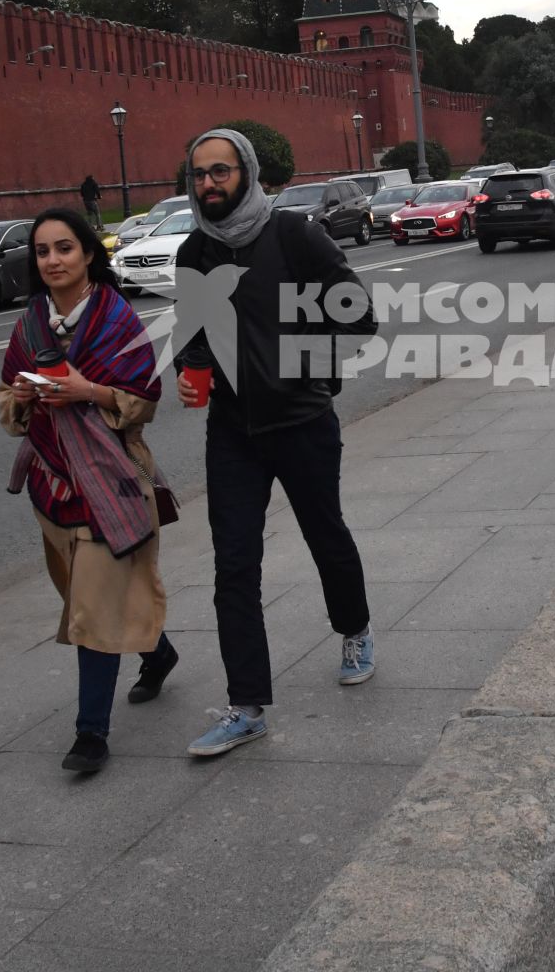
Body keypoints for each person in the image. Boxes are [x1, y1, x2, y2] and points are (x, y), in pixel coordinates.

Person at [172, 128, 380, 757]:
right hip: (233, 432)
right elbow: (195, 335)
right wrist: (192, 370)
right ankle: (246, 705)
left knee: (326, 535)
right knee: (234, 565)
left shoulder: (294, 235)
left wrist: (300, 371)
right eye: (199, 173)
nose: (209, 183)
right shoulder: (193, 254)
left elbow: (359, 318)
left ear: (248, 173)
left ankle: (355, 629)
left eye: (221, 171)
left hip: (302, 421)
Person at [0, 207, 178, 774]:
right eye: (43, 251)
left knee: (94, 609)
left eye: (64, 248)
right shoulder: (29, 324)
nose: (52, 260)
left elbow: (144, 402)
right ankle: (160, 653)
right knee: (87, 599)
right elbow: (5, 402)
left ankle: (90, 736)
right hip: (52, 487)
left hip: (112, 481)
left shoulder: (119, 320)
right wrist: (25, 400)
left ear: (89, 255)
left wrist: (86, 390)